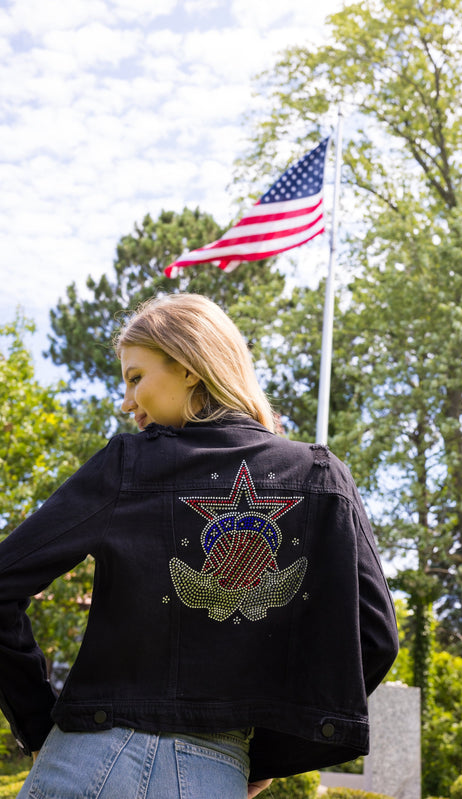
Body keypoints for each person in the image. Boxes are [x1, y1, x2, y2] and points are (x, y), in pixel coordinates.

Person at [0, 293, 398, 799]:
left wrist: (38, 724)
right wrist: (269, 753)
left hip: (85, 760)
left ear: (189, 368)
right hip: (212, 773)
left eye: (135, 377)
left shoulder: (125, 466)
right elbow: (375, 640)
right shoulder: (321, 477)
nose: (126, 402)